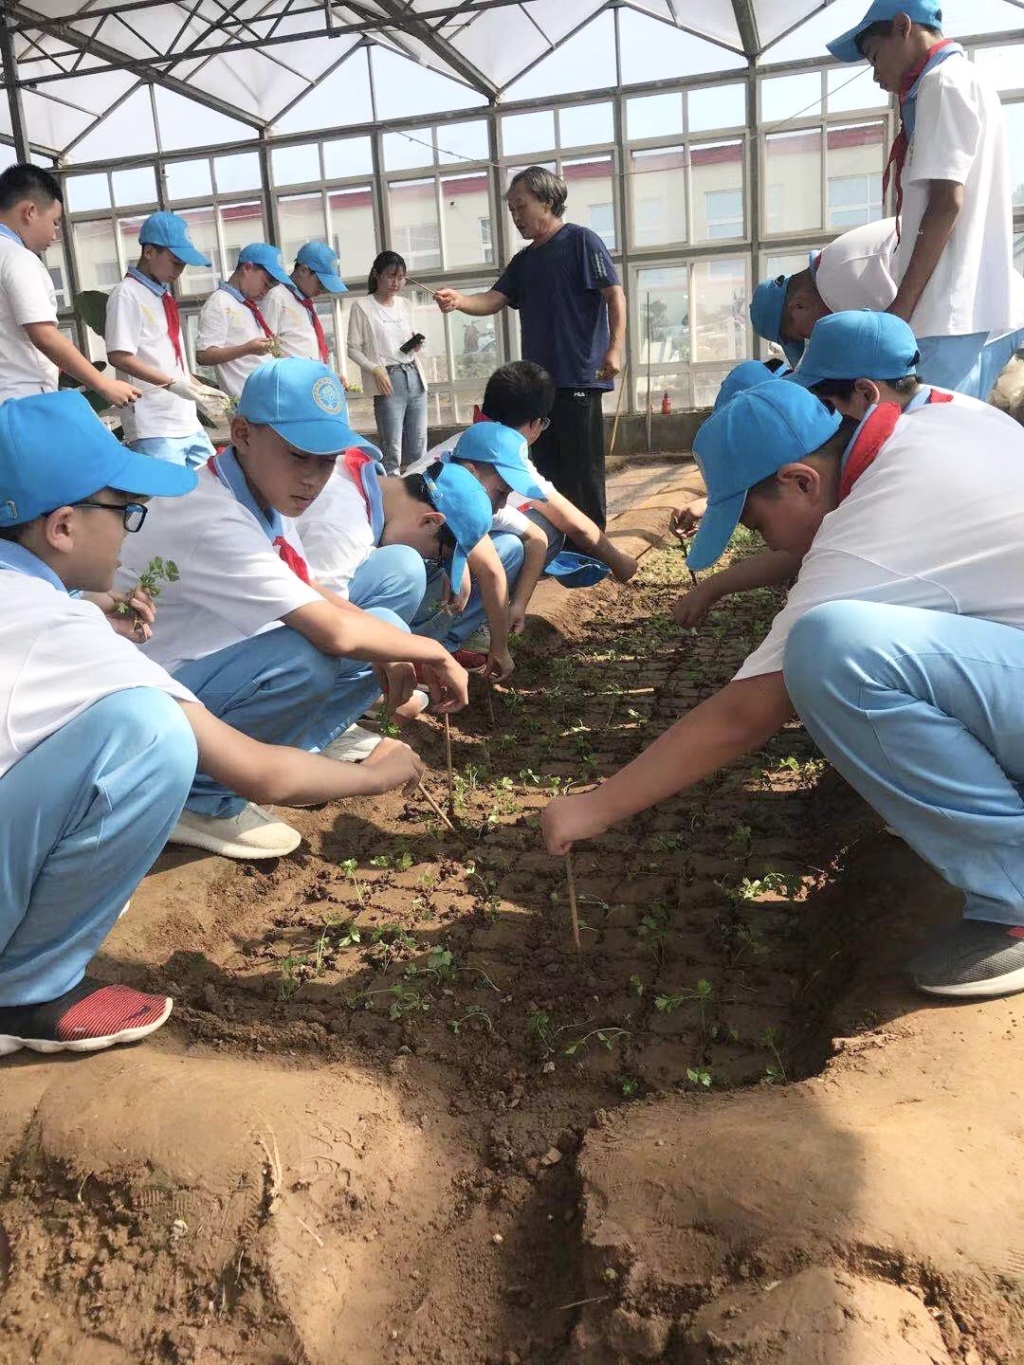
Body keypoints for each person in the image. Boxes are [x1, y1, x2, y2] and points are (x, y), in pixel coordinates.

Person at [543, 379, 1024, 999]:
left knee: (833, 650)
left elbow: (748, 712)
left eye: (754, 518)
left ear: (802, 481)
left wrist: (591, 809)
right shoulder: (937, 425)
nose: (760, 539)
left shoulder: (872, 529)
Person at [0, 390, 424, 1057]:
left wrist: (89, 598)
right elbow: (260, 769)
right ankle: (25, 990)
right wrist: (370, 778)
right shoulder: (62, 627)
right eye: (125, 510)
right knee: (150, 732)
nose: (132, 527)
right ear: (61, 528)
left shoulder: (27, 598)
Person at [117, 358, 481, 860]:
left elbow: (306, 586)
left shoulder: (260, 489)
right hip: (149, 699)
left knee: (383, 626)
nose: (313, 478)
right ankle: (200, 800)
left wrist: (400, 640)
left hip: (207, 661)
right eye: (298, 456)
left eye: (326, 460)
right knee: (308, 656)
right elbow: (330, 631)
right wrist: (431, 652)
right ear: (241, 433)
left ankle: (290, 749)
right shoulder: (214, 518)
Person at [827, 0, 1024, 397]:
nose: (875, 74)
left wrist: (902, 308)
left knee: (939, 435)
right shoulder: (962, 80)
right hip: (963, 310)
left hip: (948, 311)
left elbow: (946, 202)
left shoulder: (942, 83)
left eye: (874, 55)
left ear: (903, 26)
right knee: (957, 433)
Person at [434, 167, 626, 530]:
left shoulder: (581, 242)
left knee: (582, 469)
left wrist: (613, 350)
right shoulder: (525, 260)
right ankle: (559, 541)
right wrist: (459, 300)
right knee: (545, 469)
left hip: (579, 376)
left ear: (549, 201)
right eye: (511, 210)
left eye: (521, 206)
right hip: (539, 385)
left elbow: (614, 294)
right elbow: (494, 298)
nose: (516, 216)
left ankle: (593, 544)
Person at [293, 433, 503, 674]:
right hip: (267, 643)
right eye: (437, 554)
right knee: (405, 574)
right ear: (431, 521)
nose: (430, 559)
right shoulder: (343, 527)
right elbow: (318, 620)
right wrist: (402, 650)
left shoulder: (370, 485)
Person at [422, 361, 639, 584]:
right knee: (547, 528)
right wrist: (620, 563)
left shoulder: (455, 443)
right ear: (534, 424)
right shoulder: (503, 458)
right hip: (435, 567)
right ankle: (478, 608)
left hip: (409, 552)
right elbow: (576, 525)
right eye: (543, 424)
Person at [0, 164, 139, 409]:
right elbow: (44, 335)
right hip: (19, 402)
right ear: (30, 212)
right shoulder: (17, 258)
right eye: (54, 222)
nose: (54, 235)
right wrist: (104, 384)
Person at [104, 211, 223, 468]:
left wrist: (198, 388)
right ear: (149, 252)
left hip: (186, 420)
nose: (179, 271)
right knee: (168, 505)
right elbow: (119, 356)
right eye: (175, 261)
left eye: (183, 264)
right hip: (153, 425)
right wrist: (170, 383)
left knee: (212, 493)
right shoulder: (127, 294)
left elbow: (170, 361)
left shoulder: (162, 297)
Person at [749, 218, 898, 369]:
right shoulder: (832, 267)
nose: (814, 337)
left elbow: (898, 339)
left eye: (803, 335)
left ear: (797, 306)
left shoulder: (837, 285)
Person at [346, 251, 428, 475]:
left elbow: (406, 337)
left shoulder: (405, 304)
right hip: (388, 378)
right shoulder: (362, 306)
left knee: (419, 444)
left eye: (401, 277)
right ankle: (393, 497)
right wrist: (375, 370)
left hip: (413, 375)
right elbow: (353, 349)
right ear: (377, 275)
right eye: (391, 276)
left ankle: (421, 491)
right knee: (392, 448)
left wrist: (415, 344)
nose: (396, 282)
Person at [194, 243, 294, 398]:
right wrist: (247, 349)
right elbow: (203, 355)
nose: (265, 292)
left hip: (264, 396)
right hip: (245, 400)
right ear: (247, 268)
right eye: (265, 284)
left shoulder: (248, 305)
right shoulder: (220, 302)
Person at [261, 240, 347, 366]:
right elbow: (265, 349)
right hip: (290, 379)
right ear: (303, 270)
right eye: (320, 283)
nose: (323, 289)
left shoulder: (307, 302)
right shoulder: (277, 297)